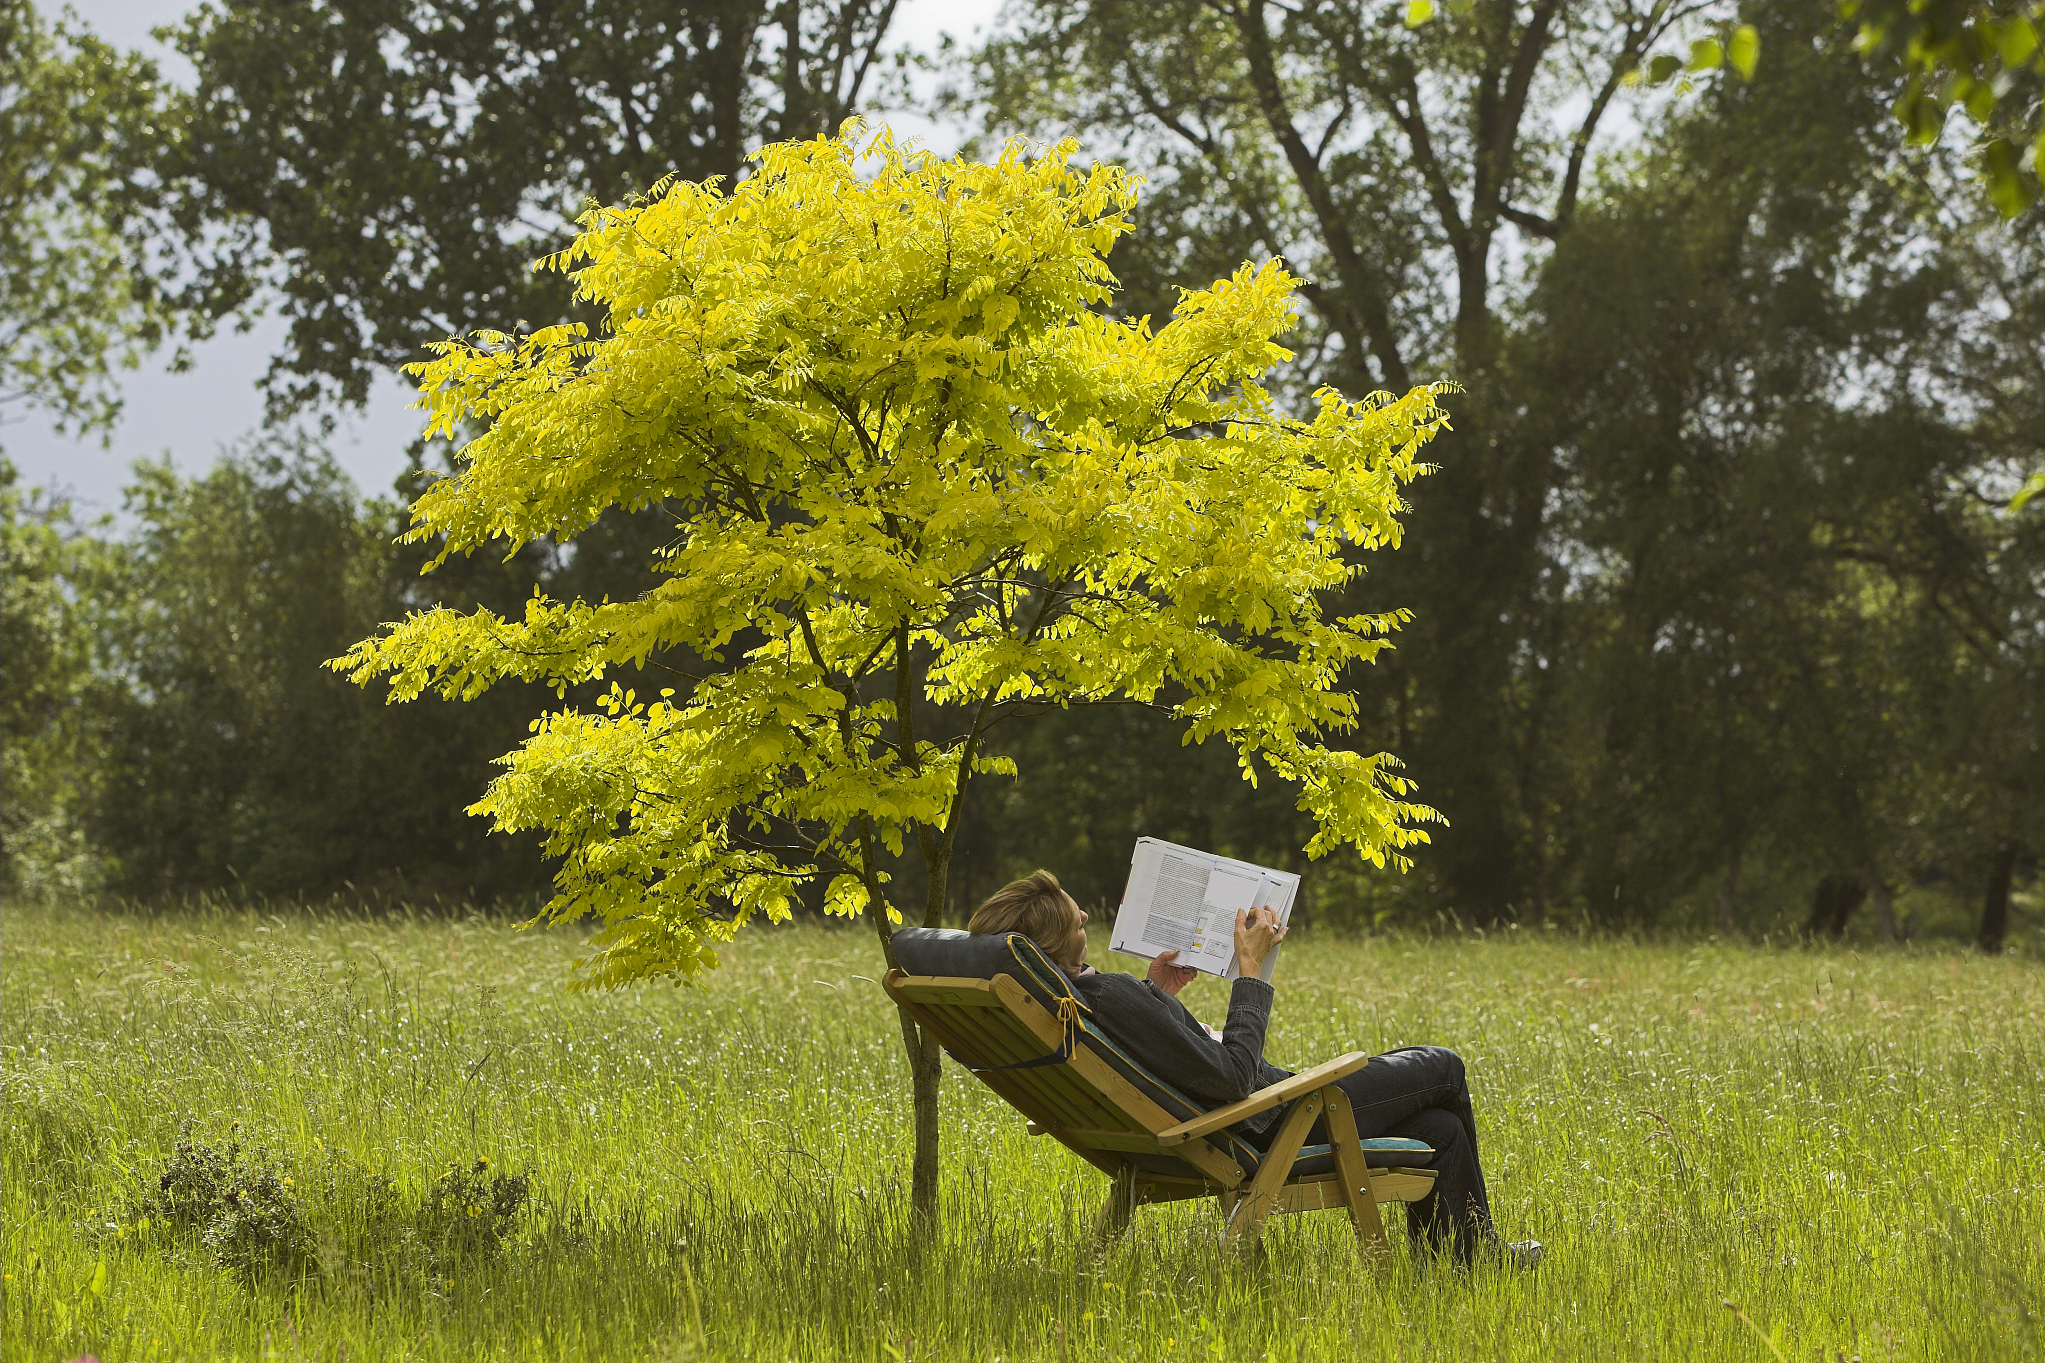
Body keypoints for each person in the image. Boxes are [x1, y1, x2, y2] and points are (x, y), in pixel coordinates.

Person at [965, 868, 1540, 1268]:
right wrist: (1250, 969)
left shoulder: (1072, 1002)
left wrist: (1158, 996)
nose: (1087, 915)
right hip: (1270, 1122)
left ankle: (1463, 1263)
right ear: (1052, 944)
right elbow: (1235, 1077)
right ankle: (1481, 1253)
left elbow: (1149, 1052)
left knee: (1440, 1129)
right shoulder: (1106, 996)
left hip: (1194, 1134)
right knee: (1444, 1068)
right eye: (1076, 921)